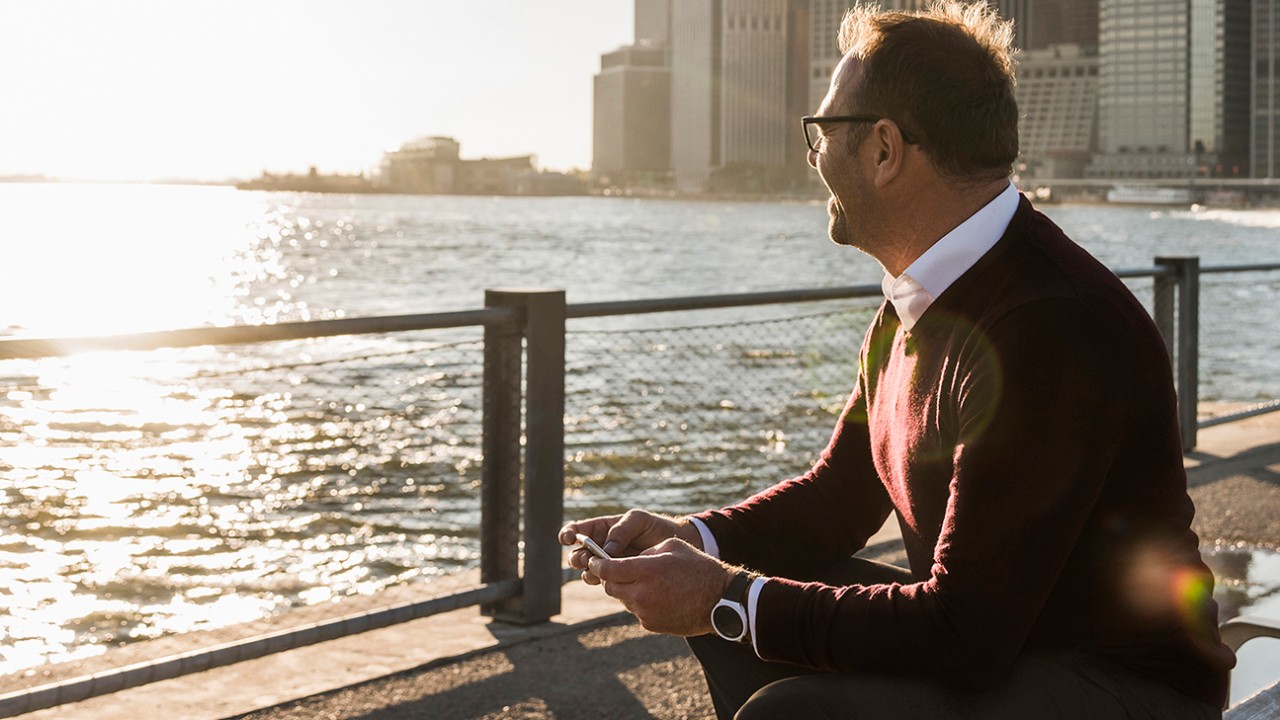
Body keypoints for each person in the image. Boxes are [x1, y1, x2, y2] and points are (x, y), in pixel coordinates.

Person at [559, 2, 1235, 718]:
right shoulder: (916, 298)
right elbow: (836, 499)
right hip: (1006, 649)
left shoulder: (1052, 323)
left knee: (775, 689)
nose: (813, 153)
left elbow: (962, 631)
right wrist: (691, 539)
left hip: (1122, 689)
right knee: (733, 609)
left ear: (884, 150)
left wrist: (723, 596)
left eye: (821, 131)